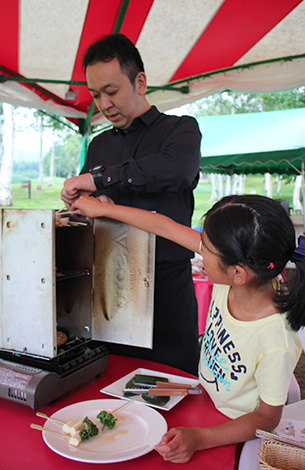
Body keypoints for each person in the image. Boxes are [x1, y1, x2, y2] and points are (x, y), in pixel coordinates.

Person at [70, 193, 304, 464]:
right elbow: (164, 226)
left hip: (231, 434)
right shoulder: (240, 268)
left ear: (238, 274)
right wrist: (100, 209)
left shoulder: (275, 339)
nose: (199, 250)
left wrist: (200, 438)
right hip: (202, 399)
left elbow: (266, 418)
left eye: (205, 247)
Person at [61, 34, 202, 375]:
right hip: (111, 291)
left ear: (140, 82)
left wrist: (100, 180)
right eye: (95, 95)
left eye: (111, 91)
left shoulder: (180, 130)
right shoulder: (98, 146)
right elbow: (89, 202)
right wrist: (83, 202)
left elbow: (176, 170)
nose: (104, 104)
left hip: (167, 292)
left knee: (175, 388)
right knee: (109, 387)